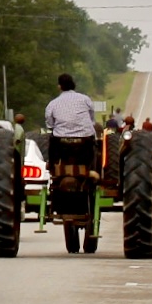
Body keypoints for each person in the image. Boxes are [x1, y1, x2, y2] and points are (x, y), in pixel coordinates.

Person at [43, 71, 99, 220]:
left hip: (62, 142)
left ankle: (54, 167)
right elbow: (91, 118)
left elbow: (49, 124)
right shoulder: (85, 99)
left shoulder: (53, 103)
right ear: (73, 84)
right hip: (84, 140)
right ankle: (92, 169)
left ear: (59, 86)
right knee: (94, 145)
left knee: (52, 139)